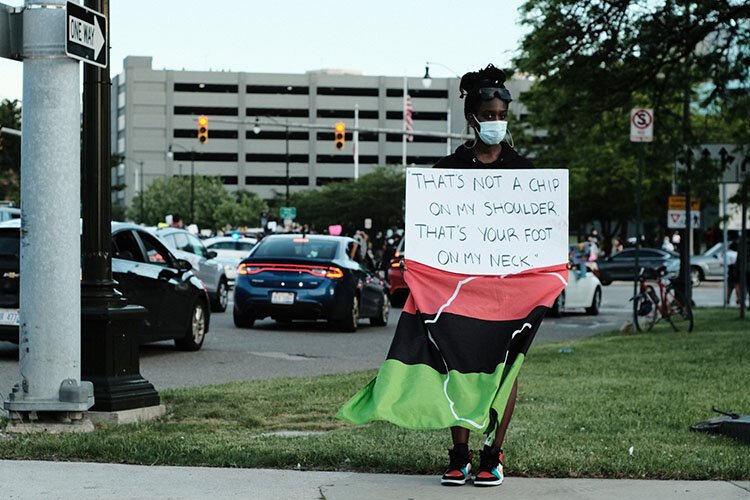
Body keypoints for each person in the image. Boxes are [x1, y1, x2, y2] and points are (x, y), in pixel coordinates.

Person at [431, 64, 533, 487]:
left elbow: (536, 233)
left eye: (500, 115)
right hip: (459, 291)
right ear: (472, 118)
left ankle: (493, 455)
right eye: (487, 115)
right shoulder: (447, 169)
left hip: (510, 292)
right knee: (458, 369)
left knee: (504, 373)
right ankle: (459, 455)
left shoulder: (525, 171)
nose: (495, 122)